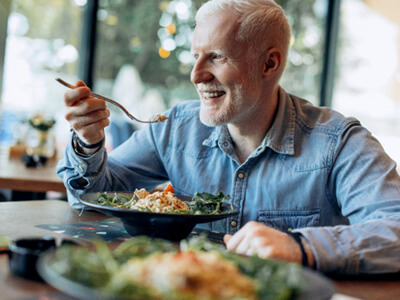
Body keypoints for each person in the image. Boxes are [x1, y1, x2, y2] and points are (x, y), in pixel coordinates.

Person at [57, 0, 400, 274]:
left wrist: (300, 247)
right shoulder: (176, 126)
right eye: (195, 56)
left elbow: (395, 230)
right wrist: (89, 141)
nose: (196, 74)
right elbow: (93, 197)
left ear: (269, 64)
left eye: (216, 57)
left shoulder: (339, 143)